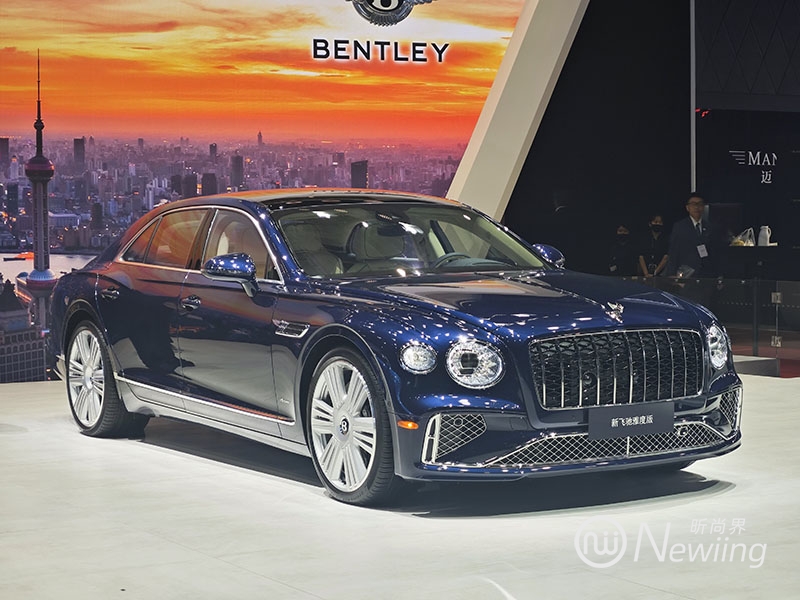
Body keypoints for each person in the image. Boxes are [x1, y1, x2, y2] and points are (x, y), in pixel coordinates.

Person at [665, 193, 722, 277]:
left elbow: (715, 252)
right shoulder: (680, 226)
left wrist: (719, 274)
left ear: (703, 207)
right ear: (687, 208)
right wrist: (671, 274)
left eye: (700, 204)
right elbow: (674, 251)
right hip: (686, 272)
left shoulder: (710, 227)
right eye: (693, 204)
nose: (697, 207)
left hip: (707, 273)